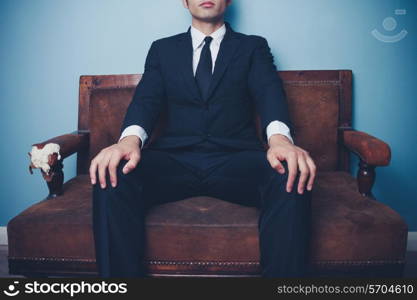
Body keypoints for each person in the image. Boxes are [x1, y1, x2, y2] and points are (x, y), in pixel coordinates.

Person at [89, 0, 317, 278]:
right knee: (113, 176)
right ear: (184, 2)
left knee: (290, 174)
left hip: (236, 160)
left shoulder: (252, 47)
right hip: (174, 160)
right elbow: (146, 101)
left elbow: (269, 93)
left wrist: (280, 140)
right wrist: (129, 141)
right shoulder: (163, 49)